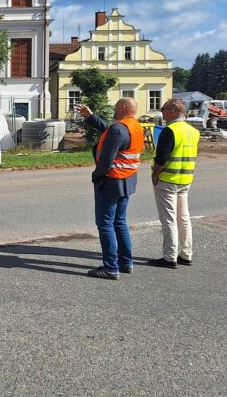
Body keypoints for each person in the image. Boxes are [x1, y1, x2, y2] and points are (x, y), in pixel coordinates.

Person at [75, 98, 144, 280]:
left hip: (111, 180)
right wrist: (91, 117)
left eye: (116, 106)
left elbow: (106, 160)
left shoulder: (119, 128)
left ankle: (110, 267)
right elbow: (110, 131)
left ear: (122, 108)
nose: (114, 108)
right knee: (119, 222)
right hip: (127, 180)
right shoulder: (134, 126)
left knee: (105, 224)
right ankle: (125, 262)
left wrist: (96, 176)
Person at [148, 99, 200, 268]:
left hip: (167, 179)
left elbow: (161, 158)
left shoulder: (170, 131)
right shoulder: (193, 131)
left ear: (172, 110)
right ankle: (186, 254)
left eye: (163, 109)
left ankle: (169, 257)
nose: (161, 113)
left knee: (168, 219)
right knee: (183, 218)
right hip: (185, 179)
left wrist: (155, 175)